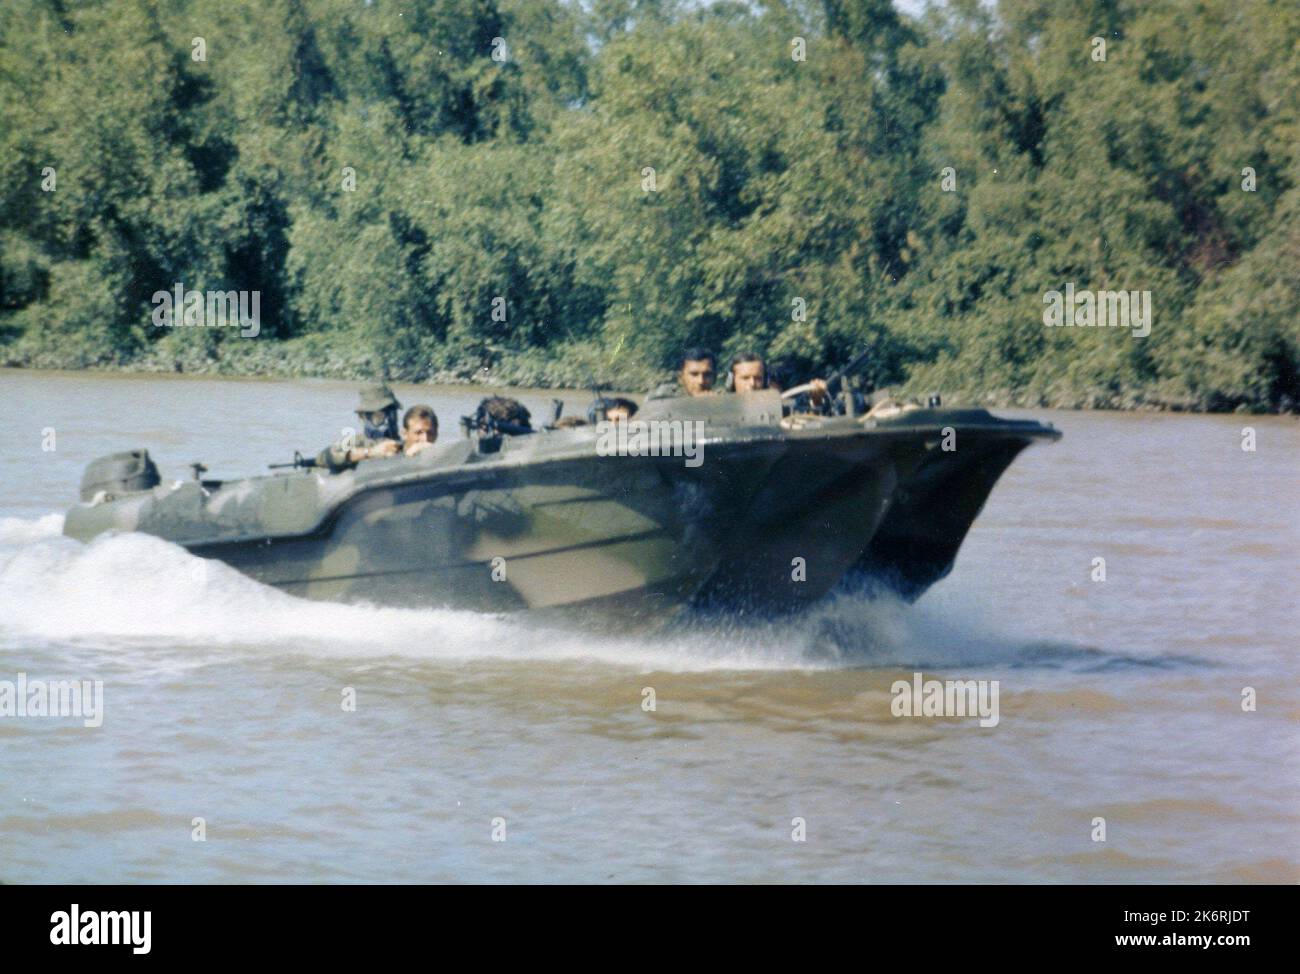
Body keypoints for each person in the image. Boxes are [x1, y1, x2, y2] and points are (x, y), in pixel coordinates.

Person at [316, 383, 403, 472]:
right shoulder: (355, 441)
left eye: (391, 414)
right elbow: (322, 458)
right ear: (362, 417)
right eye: (379, 416)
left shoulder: (405, 439)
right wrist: (370, 452)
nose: (387, 420)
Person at [647, 348, 717, 399]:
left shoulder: (722, 404)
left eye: (707, 374)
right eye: (694, 374)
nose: (701, 381)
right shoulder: (664, 400)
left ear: (715, 377)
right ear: (681, 378)